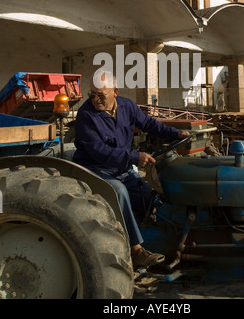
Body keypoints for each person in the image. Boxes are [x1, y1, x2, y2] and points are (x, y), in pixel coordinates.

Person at [73, 70, 190, 269]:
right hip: (95, 168)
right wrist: (135, 157)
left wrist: (175, 134)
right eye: (91, 94)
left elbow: (149, 124)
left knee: (149, 197)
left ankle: (164, 240)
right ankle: (136, 251)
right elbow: (99, 152)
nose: (95, 99)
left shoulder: (127, 106)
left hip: (121, 168)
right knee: (118, 191)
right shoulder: (86, 115)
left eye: (100, 95)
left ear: (115, 92)